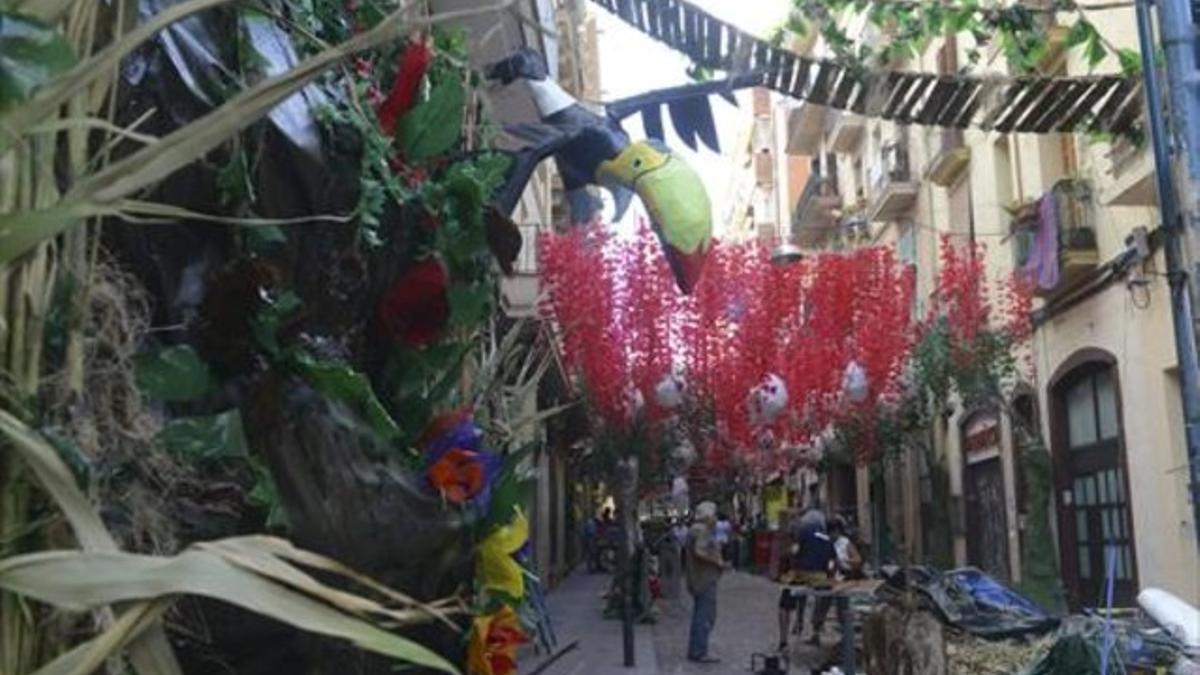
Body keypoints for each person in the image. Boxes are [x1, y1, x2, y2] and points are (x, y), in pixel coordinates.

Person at [777, 513, 836, 651]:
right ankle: (816, 629)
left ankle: (783, 640)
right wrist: (830, 575)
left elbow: (794, 551)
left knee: (784, 601)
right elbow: (832, 561)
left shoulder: (802, 533)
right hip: (821, 576)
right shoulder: (827, 538)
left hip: (802, 574)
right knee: (825, 597)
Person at [685, 501, 729, 663]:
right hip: (704, 578)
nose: (716, 518)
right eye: (714, 514)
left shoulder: (695, 530)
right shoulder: (702, 530)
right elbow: (700, 551)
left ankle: (696, 648)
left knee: (700, 614)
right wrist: (717, 562)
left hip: (698, 577)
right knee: (705, 615)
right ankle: (699, 650)